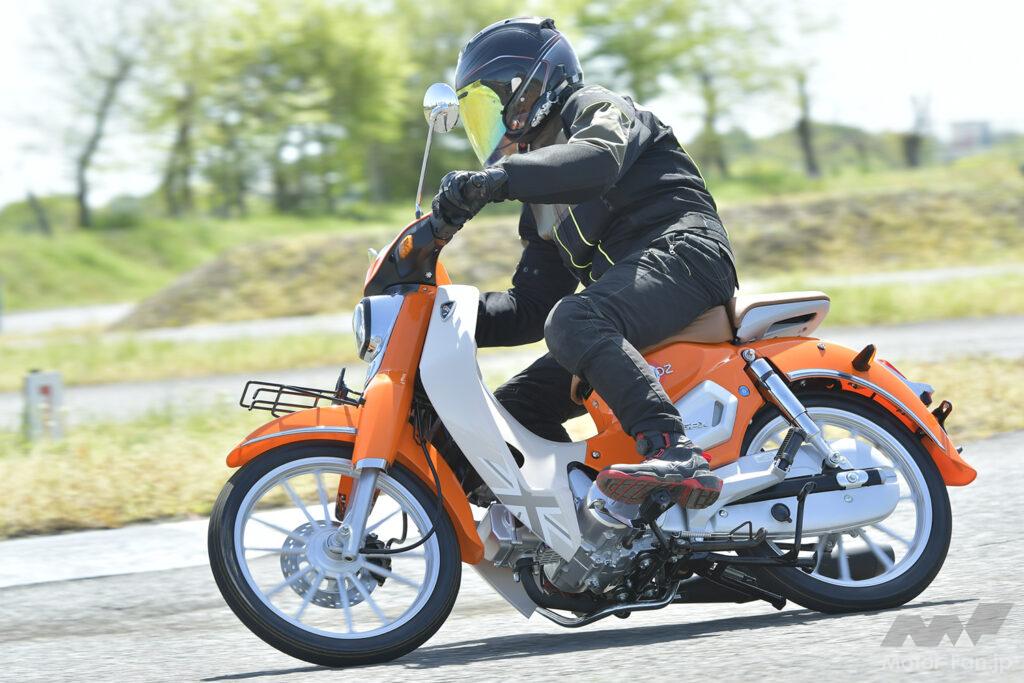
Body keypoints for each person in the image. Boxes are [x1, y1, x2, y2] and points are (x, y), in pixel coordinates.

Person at [430, 17, 738, 509]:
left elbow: (597, 160)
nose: (488, 127)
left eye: (491, 105)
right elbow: (532, 307)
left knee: (574, 318)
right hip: (623, 304)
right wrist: (445, 314)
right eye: (476, 115)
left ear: (530, 89)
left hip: (686, 254)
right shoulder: (540, 193)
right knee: (514, 409)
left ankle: (676, 452)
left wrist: (499, 180)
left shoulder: (594, 107)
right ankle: (583, 529)